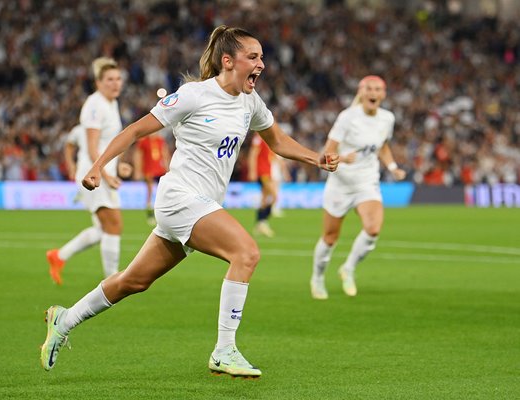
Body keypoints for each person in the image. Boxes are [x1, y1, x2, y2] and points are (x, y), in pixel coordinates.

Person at [40, 25, 339, 378]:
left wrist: (315, 158)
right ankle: (224, 349)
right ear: (228, 61)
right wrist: (96, 167)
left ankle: (64, 319)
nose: (262, 64)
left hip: (198, 205)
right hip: (180, 198)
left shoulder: (250, 102)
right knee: (246, 253)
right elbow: (135, 129)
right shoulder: (194, 95)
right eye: (254, 57)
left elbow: (277, 141)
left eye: (262, 57)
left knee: (133, 282)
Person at [309, 75, 406, 300]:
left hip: (367, 182)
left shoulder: (387, 118)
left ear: (383, 94)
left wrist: (392, 167)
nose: (373, 93)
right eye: (369, 88)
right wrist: (342, 158)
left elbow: (382, 146)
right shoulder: (347, 118)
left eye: (378, 89)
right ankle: (317, 277)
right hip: (340, 184)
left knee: (373, 229)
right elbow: (326, 154)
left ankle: (348, 268)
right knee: (330, 237)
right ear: (361, 92)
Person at [46, 58, 130, 285]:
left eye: (118, 79)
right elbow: (92, 145)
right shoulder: (95, 104)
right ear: (98, 82)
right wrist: (105, 172)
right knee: (114, 224)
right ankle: (112, 282)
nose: (116, 83)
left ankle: (59, 256)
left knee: (103, 229)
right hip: (93, 174)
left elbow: (108, 142)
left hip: (101, 171)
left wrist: (117, 165)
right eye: (110, 79)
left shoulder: (111, 103)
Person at [133, 131, 170, 225]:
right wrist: (138, 170)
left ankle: (162, 212)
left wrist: (167, 167)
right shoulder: (143, 141)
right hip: (149, 169)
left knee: (162, 191)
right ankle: (150, 214)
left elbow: (164, 153)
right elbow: (138, 156)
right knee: (150, 191)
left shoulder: (160, 140)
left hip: (160, 169)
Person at [247, 132, 277, 237]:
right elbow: (253, 154)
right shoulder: (258, 137)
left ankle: (259, 225)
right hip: (262, 172)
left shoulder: (266, 137)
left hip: (267, 172)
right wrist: (252, 171)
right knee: (274, 196)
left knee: (264, 199)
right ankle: (262, 222)